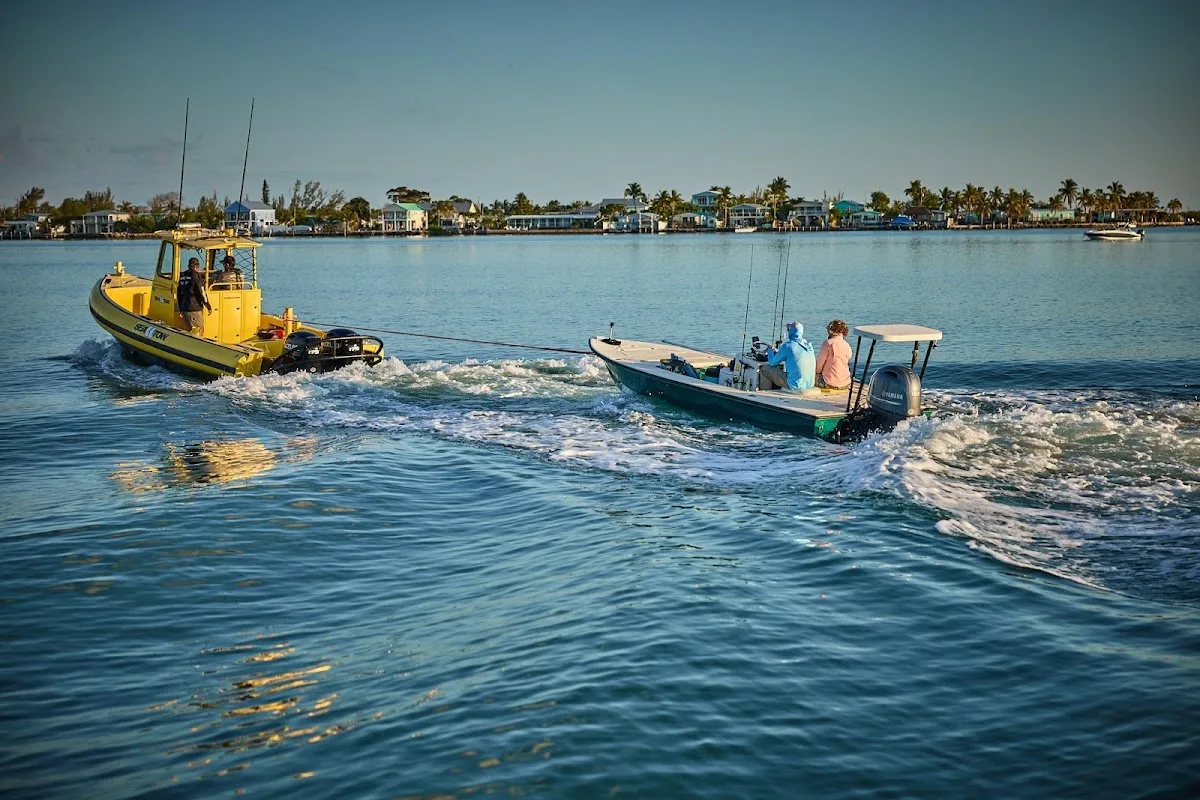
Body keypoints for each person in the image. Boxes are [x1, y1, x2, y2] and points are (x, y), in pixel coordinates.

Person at [758, 321, 816, 391]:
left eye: (788, 330)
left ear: (791, 332)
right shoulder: (809, 346)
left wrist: (770, 351)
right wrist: (778, 352)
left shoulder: (788, 346)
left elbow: (772, 363)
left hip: (794, 385)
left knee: (765, 369)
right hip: (809, 385)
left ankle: (765, 394)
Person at [177, 256, 212, 334]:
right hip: (194, 308)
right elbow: (201, 291)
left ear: (189, 266)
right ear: (197, 267)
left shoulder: (182, 276)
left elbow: (179, 293)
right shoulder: (196, 276)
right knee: (199, 329)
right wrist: (208, 306)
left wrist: (180, 308)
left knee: (188, 330)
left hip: (184, 307)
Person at [816, 319, 853, 389]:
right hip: (846, 383)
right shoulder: (847, 345)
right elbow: (848, 357)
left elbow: (820, 364)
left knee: (813, 376)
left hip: (829, 383)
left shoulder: (828, 343)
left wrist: (817, 373)